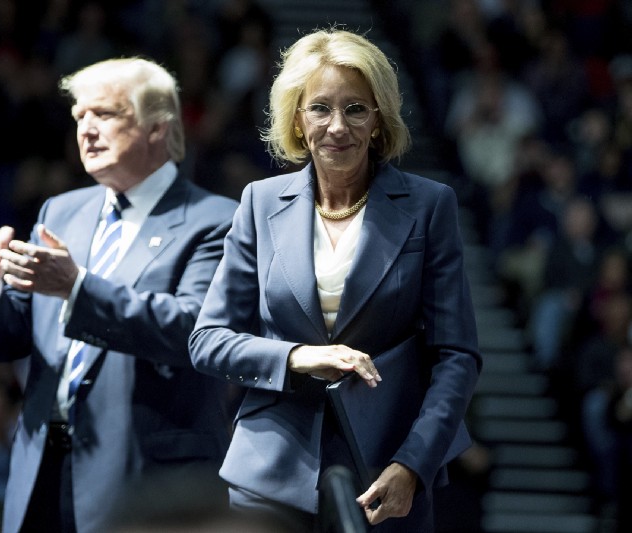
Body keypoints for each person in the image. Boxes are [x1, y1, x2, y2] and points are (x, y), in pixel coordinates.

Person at [189, 29, 482, 532]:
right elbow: (207, 342)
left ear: (378, 119)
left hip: (387, 472)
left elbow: (456, 355)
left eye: (356, 109)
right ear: (298, 120)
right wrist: (298, 357)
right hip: (270, 472)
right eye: (320, 108)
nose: (337, 126)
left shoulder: (430, 205)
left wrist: (414, 464)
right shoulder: (259, 202)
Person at [0, 57, 239, 533]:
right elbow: (17, 335)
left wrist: (78, 288)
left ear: (157, 128)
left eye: (104, 114)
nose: (85, 130)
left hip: (143, 481)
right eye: (79, 116)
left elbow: (195, 329)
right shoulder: (62, 211)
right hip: (40, 471)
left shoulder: (216, 220)